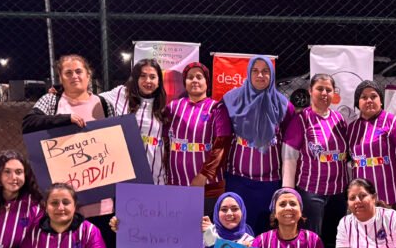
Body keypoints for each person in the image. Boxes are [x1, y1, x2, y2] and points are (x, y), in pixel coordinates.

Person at [21, 54, 117, 248]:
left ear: (88, 75)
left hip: (102, 203)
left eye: (79, 71)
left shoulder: (104, 104)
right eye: (68, 73)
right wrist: (65, 119)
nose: (74, 76)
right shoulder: (52, 100)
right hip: (64, 207)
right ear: (61, 77)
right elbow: (28, 123)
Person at [220, 55, 294, 236]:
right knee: (237, 232)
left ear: (272, 75)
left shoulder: (284, 106)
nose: (260, 75)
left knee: (265, 234)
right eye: (255, 71)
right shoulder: (232, 100)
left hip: (269, 183)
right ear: (248, 73)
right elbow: (222, 137)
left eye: (265, 71)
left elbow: (289, 144)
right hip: (237, 180)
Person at [282, 73, 349, 248]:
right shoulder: (301, 120)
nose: (324, 93)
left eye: (328, 89)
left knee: (334, 240)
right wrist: (288, 191)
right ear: (310, 91)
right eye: (320, 89)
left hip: (337, 192)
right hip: (311, 192)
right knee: (312, 241)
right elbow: (289, 156)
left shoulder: (339, 120)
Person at [167, 62, 233, 215]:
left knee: (205, 228)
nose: (195, 80)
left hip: (208, 187)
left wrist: (204, 175)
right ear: (185, 83)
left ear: (206, 82)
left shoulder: (217, 108)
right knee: (178, 226)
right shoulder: (173, 107)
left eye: (199, 77)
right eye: (190, 77)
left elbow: (222, 144)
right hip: (176, 184)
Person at [345, 81, 396, 214]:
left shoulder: (394, 123)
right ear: (357, 103)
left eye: (373, 96)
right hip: (362, 197)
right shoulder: (352, 128)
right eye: (364, 97)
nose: (369, 100)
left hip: (391, 195)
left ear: (381, 100)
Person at [99, 57, 170, 185]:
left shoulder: (163, 105)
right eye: (143, 76)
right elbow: (90, 100)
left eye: (152, 77)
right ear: (136, 78)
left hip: (155, 172)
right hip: (125, 172)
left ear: (159, 81)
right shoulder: (121, 94)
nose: (148, 81)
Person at [331, 178, 396, 248]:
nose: (357, 201)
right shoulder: (345, 223)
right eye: (352, 198)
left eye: (363, 195)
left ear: (374, 197)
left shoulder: (394, 219)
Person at [15, 183, 109, 248]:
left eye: (66, 202)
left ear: (74, 206)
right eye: (54, 203)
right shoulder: (33, 233)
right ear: (46, 207)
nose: (60, 208)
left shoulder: (90, 231)